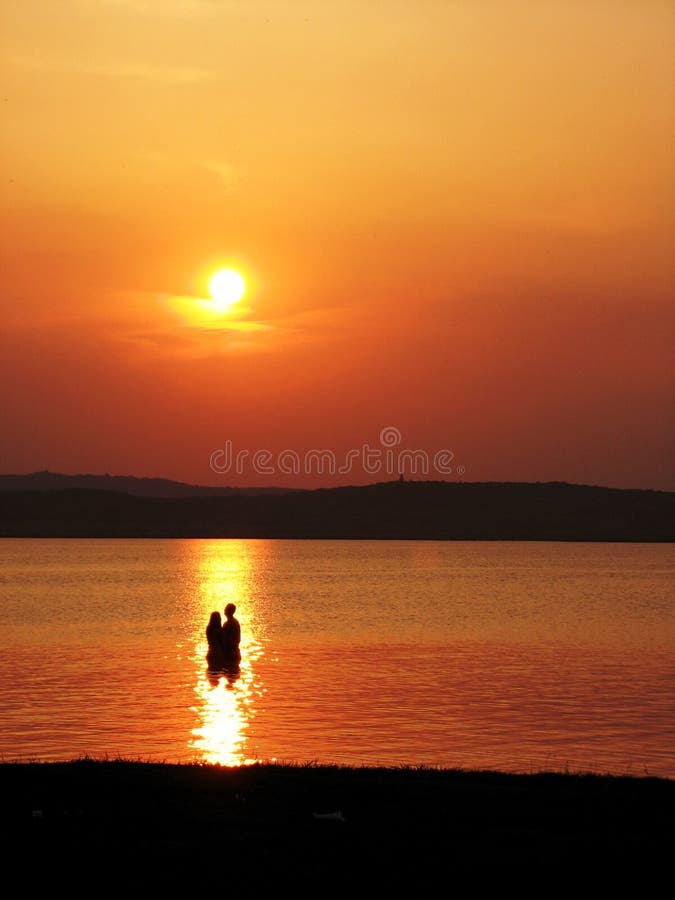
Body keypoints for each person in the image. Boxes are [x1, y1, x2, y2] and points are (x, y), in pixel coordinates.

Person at [221, 602, 241, 667]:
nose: (224, 610)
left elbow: (227, 638)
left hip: (231, 652)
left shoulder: (231, 623)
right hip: (233, 651)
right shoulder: (231, 622)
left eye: (226, 609)